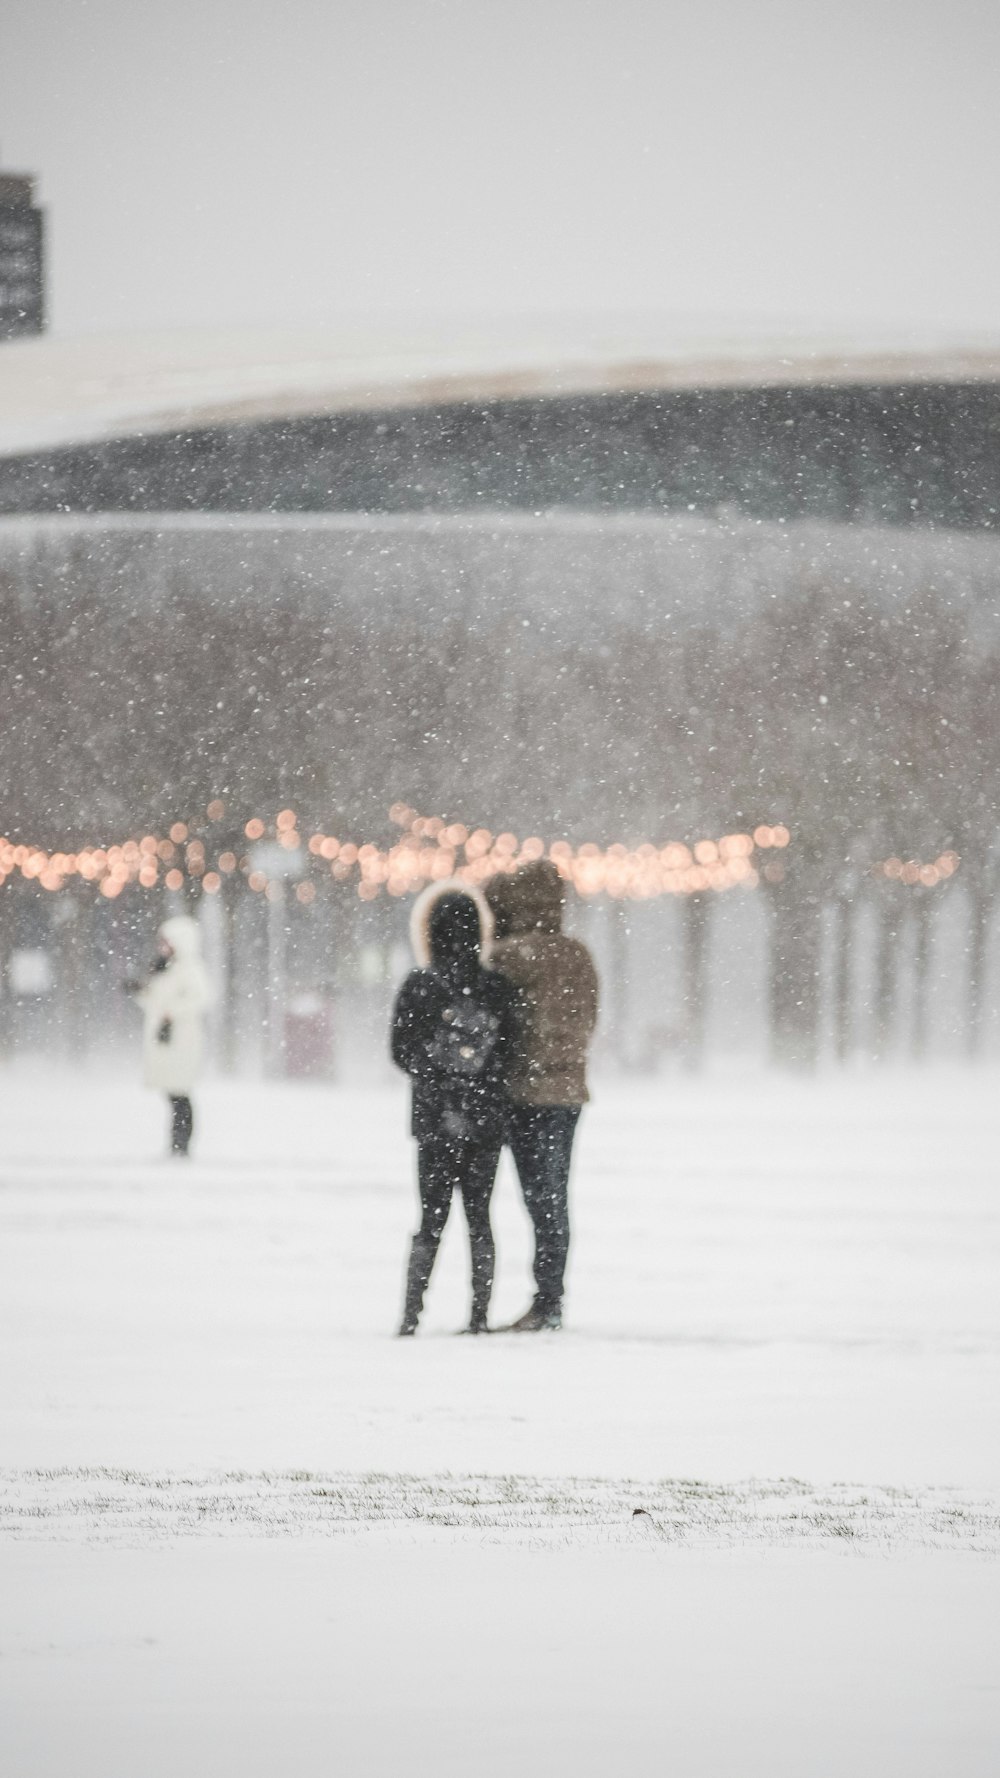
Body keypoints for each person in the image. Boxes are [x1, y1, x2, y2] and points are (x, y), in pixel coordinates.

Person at [391, 881, 520, 1336]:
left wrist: (438, 1079)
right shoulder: (497, 987)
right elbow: (511, 1052)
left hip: (433, 1122)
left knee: (430, 1219)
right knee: (480, 1218)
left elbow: (400, 1050)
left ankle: (411, 1316)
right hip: (485, 1121)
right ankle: (479, 1315)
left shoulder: (419, 984)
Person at [485, 860, 599, 1331]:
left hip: (525, 1093)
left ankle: (542, 1303)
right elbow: (587, 1019)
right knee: (554, 1197)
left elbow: (498, 1024)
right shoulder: (577, 954)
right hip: (568, 1092)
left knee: (535, 1198)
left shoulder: (509, 956)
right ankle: (551, 1297)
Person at [128, 914, 212, 1158]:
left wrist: (171, 1013)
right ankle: (176, 1144)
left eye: (167, 941)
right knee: (173, 1093)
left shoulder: (190, 969)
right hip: (166, 1040)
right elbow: (155, 1003)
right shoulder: (163, 968)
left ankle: (181, 1145)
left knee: (180, 1094)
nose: (162, 946)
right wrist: (139, 993)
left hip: (182, 1040)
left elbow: (200, 998)